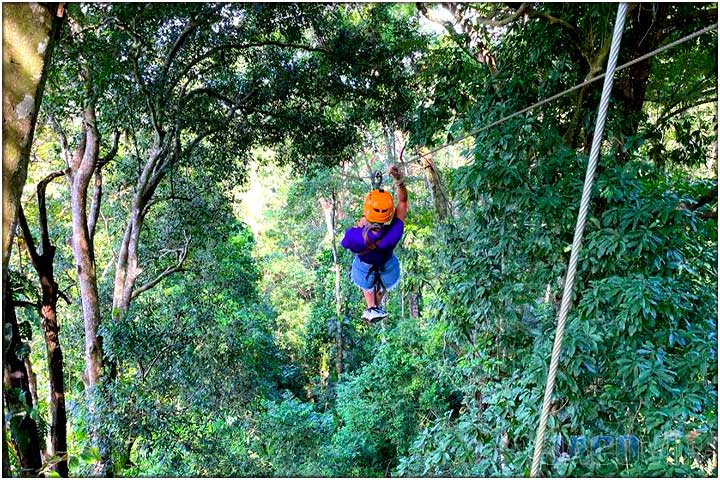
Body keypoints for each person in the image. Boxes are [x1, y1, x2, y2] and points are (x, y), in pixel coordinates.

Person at [341, 165, 408, 322]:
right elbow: (403, 202)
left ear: (366, 211)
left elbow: (345, 243)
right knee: (384, 277)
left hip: (364, 269)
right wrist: (398, 180)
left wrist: (363, 221)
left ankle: (372, 307)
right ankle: (374, 307)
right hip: (388, 269)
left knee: (364, 271)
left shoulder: (353, 236)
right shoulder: (393, 233)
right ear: (389, 212)